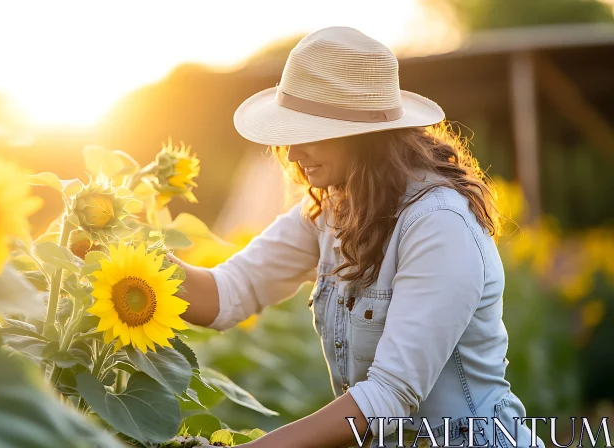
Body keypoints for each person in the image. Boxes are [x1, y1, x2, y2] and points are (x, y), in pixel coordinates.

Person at [166, 26, 547, 448]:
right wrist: (116, 254)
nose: (292, 154)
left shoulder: (438, 225)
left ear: (363, 134)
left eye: (308, 131)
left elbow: (387, 396)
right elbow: (225, 293)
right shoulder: (333, 210)